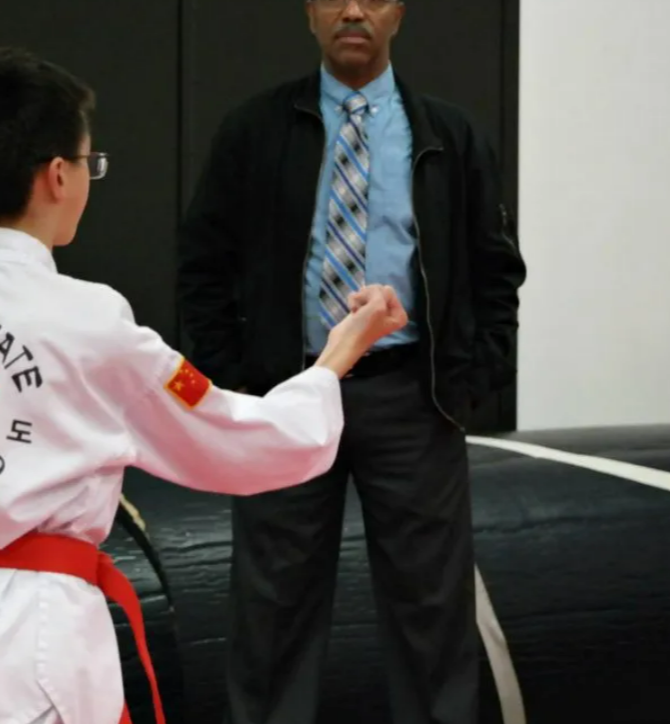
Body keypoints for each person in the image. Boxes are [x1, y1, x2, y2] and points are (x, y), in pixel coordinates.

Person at [0, 47, 407, 724]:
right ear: (57, 175)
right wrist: (333, 361)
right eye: (88, 163)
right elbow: (243, 443)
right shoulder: (87, 319)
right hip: (36, 627)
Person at [176, 1, 528, 723]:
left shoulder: (449, 136)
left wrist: (469, 381)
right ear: (310, 12)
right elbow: (202, 263)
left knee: (433, 612)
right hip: (288, 393)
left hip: (411, 397)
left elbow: (496, 273)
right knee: (271, 610)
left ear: (398, 12)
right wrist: (240, 383)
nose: (353, 10)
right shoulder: (254, 129)